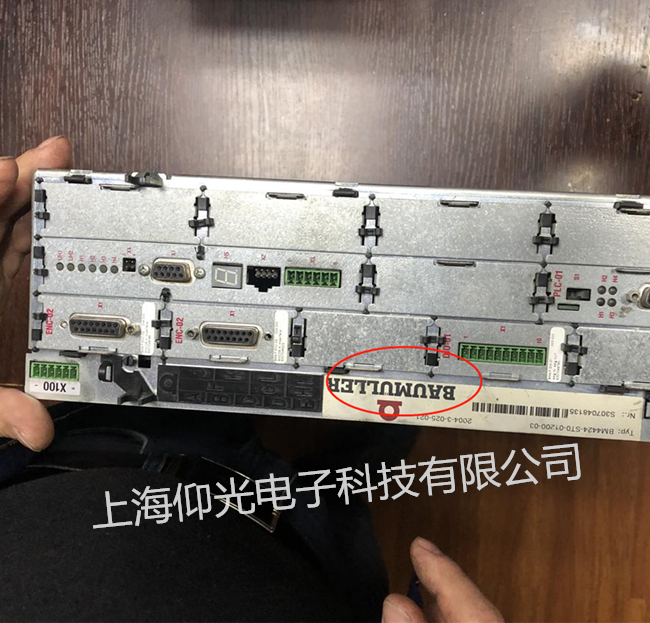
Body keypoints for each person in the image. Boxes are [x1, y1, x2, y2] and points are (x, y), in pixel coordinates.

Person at [0, 138, 504, 623]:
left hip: (96, 439)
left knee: (299, 391)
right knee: (345, 479)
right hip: (305, 561)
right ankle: (369, 435)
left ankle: (374, 414)